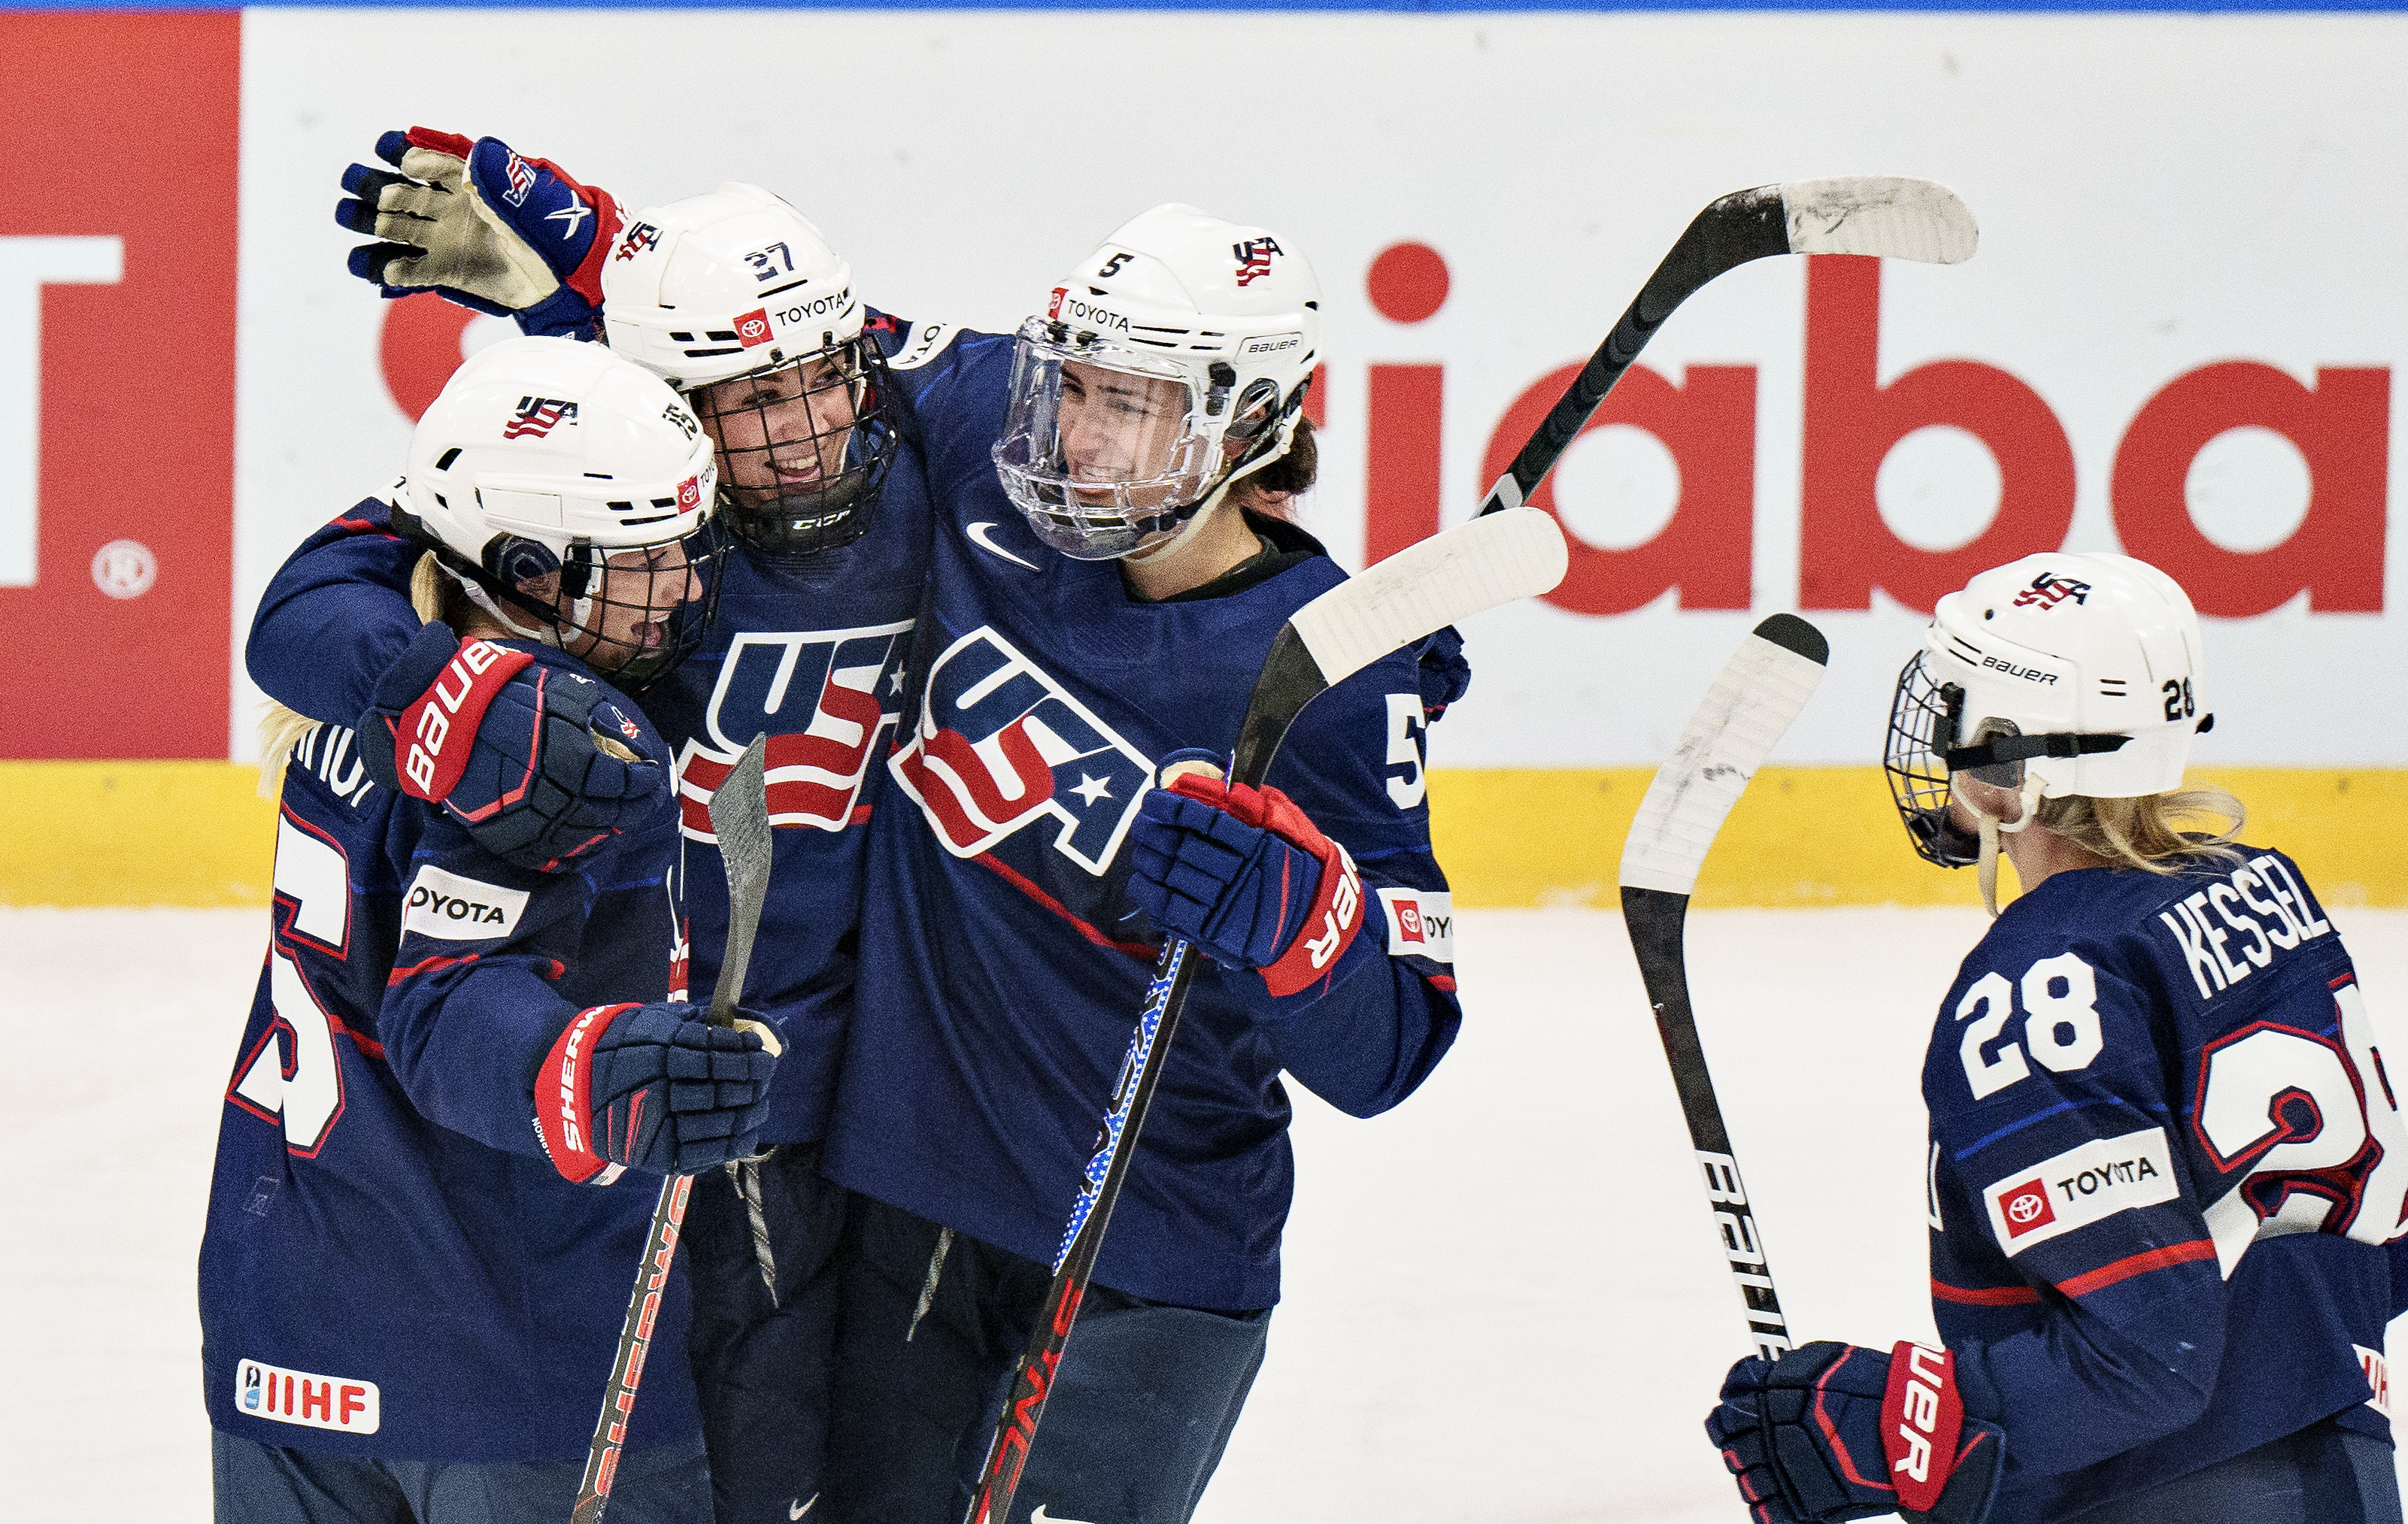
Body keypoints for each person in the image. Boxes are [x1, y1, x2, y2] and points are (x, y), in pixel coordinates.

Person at [259, 137, 938, 1524]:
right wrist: (451, 693)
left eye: (820, 380)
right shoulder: (586, 506)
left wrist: (596, 256)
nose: (798, 433)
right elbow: (307, 609)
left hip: (786, 1089)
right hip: (600, 1110)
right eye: (747, 399)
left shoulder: (905, 446)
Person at [819, 203, 1466, 1524]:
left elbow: (1396, 1046)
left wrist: (1296, 918)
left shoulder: (1330, 678)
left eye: (1136, 405)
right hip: (915, 1191)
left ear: (1246, 425)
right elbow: (787, 365)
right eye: (1076, 390)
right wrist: (576, 252)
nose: (1080, 437)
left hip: (1156, 1247)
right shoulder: (986, 439)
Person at [201, 335, 780, 1523]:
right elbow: (449, 1005)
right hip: (509, 1363)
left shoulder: (370, 673)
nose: (680, 587)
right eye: (640, 560)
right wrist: (591, 1071)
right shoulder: (568, 753)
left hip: (284, 1324)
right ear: (526, 570)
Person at [1703, 552, 2403, 1524]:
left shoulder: (2042, 985)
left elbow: (2151, 1362)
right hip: (2341, 1463)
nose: (1935, 740)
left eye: (1954, 712)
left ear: (2005, 763)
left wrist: (1884, 1433)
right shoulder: (2259, 890)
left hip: (2176, 1492)